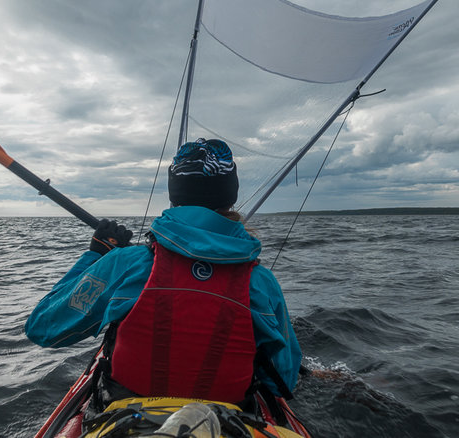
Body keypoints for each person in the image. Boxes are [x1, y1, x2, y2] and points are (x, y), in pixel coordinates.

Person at [25, 138, 302, 405]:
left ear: (174, 194)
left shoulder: (127, 263)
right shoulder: (262, 282)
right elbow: (282, 383)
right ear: (230, 197)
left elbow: (42, 328)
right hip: (225, 420)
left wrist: (95, 255)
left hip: (128, 418)